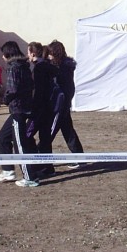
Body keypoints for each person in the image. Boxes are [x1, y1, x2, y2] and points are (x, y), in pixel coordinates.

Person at [0, 41, 39, 187]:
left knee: (20, 144)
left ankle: (30, 177)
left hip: (18, 110)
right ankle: (8, 170)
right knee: (3, 137)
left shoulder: (14, 68)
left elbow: (12, 90)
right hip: (22, 108)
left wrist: (5, 99)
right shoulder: (25, 66)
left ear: (7, 54)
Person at [47, 40, 84, 168]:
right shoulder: (65, 67)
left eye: (51, 53)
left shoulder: (61, 69)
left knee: (49, 133)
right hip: (63, 104)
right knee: (68, 130)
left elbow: (63, 88)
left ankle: (41, 159)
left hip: (59, 105)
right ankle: (79, 156)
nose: (48, 56)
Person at [27, 42, 57, 178]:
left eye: (28, 52)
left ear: (32, 53)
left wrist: (33, 107)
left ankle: (36, 164)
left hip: (40, 108)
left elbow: (38, 92)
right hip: (49, 107)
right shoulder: (49, 67)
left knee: (27, 135)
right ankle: (47, 167)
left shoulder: (38, 68)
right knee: (45, 138)